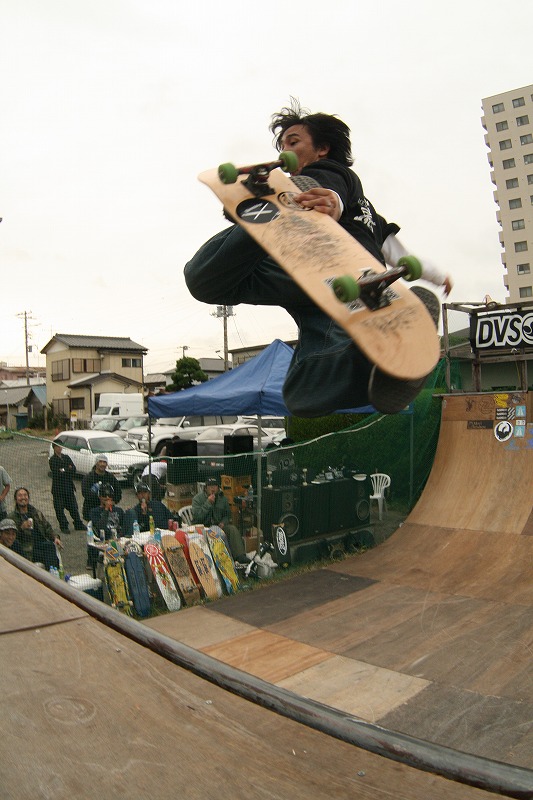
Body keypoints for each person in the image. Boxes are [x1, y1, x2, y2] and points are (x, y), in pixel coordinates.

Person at [184, 100, 452, 416]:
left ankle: (265, 213)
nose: (286, 152)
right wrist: (437, 276)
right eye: (283, 146)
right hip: (345, 293)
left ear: (323, 148)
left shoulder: (333, 174)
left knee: (200, 277)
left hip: (317, 268)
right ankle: (373, 364)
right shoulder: (370, 215)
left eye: (294, 142)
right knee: (302, 396)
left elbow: (329, 187)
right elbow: (398, 253)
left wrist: (330, 203)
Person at [191, 478, 249, 564]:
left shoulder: (223, 499)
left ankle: (240, 556)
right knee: (215, 532)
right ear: (205, 488)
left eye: (215, 486)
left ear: (218, 488)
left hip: (218, 527)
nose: (212, 488)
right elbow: (197, 517)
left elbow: (227, 515)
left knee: (232, 529)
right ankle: (221, 560)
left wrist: (223, 522)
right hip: (202, 528)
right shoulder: (197, 499)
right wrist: (208, 503)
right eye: (210, 486)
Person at [12, 487, 61, 571]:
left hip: (41, 545)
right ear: (16, 499)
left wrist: (55, 538)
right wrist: (21, 528)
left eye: (25, 495)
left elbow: (47, 527)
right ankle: (52, 573)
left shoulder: (36, 513)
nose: (23, 497)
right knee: (49, 553)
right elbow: (10, 538)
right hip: (27, 548)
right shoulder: (12, 517)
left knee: (50, 546)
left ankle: (53, 574)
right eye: (20, 495)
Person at [87, 484, 125, 574]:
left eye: (109, 495)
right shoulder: (94, 512)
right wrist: (106, 510)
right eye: (104, 495)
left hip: (119, 540)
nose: (107, 497)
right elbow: (100, 527)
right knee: (117, 555)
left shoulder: (119, 510)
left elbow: (124, 526)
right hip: (105, 541)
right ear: (100, 497)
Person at [49, 443, 84, 533]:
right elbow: (56, 473)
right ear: (54, 448)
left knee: (73, 507)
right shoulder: (52, 460)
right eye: (57, 446)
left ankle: (78, 524)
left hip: (68, 487)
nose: (59, 448)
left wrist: (64, 470)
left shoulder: (66, 457)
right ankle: (64, 526)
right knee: (59, 509)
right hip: (58, 489)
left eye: (60, 446)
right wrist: (67, 469)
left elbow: (73, 469)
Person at [81, 455, 122, 520]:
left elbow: (118, 491)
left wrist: (113, 501)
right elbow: (85, 493)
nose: (102, 464)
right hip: (91, 508)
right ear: (96, 463)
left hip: (108, 510)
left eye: (104, 462)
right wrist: (101, 500)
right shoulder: (88, 477)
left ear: (106, 464)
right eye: (100, 462)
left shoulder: (110, 477)